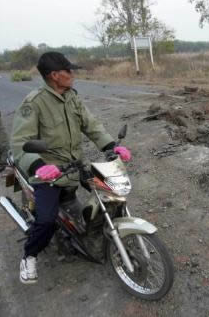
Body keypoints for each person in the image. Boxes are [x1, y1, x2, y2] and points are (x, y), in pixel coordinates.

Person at [11, 52, 132, 284]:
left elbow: (91, 125)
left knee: (113, 190)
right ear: (55, 75)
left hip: (75, 165)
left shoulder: (72, 98)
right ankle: (29, 256)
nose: (73, 74)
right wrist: (38, 166)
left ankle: (104, 232)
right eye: (69, 71)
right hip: (49, 174)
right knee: (45, 221)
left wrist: (110, 146)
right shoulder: (34, 103)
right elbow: (19, 143)